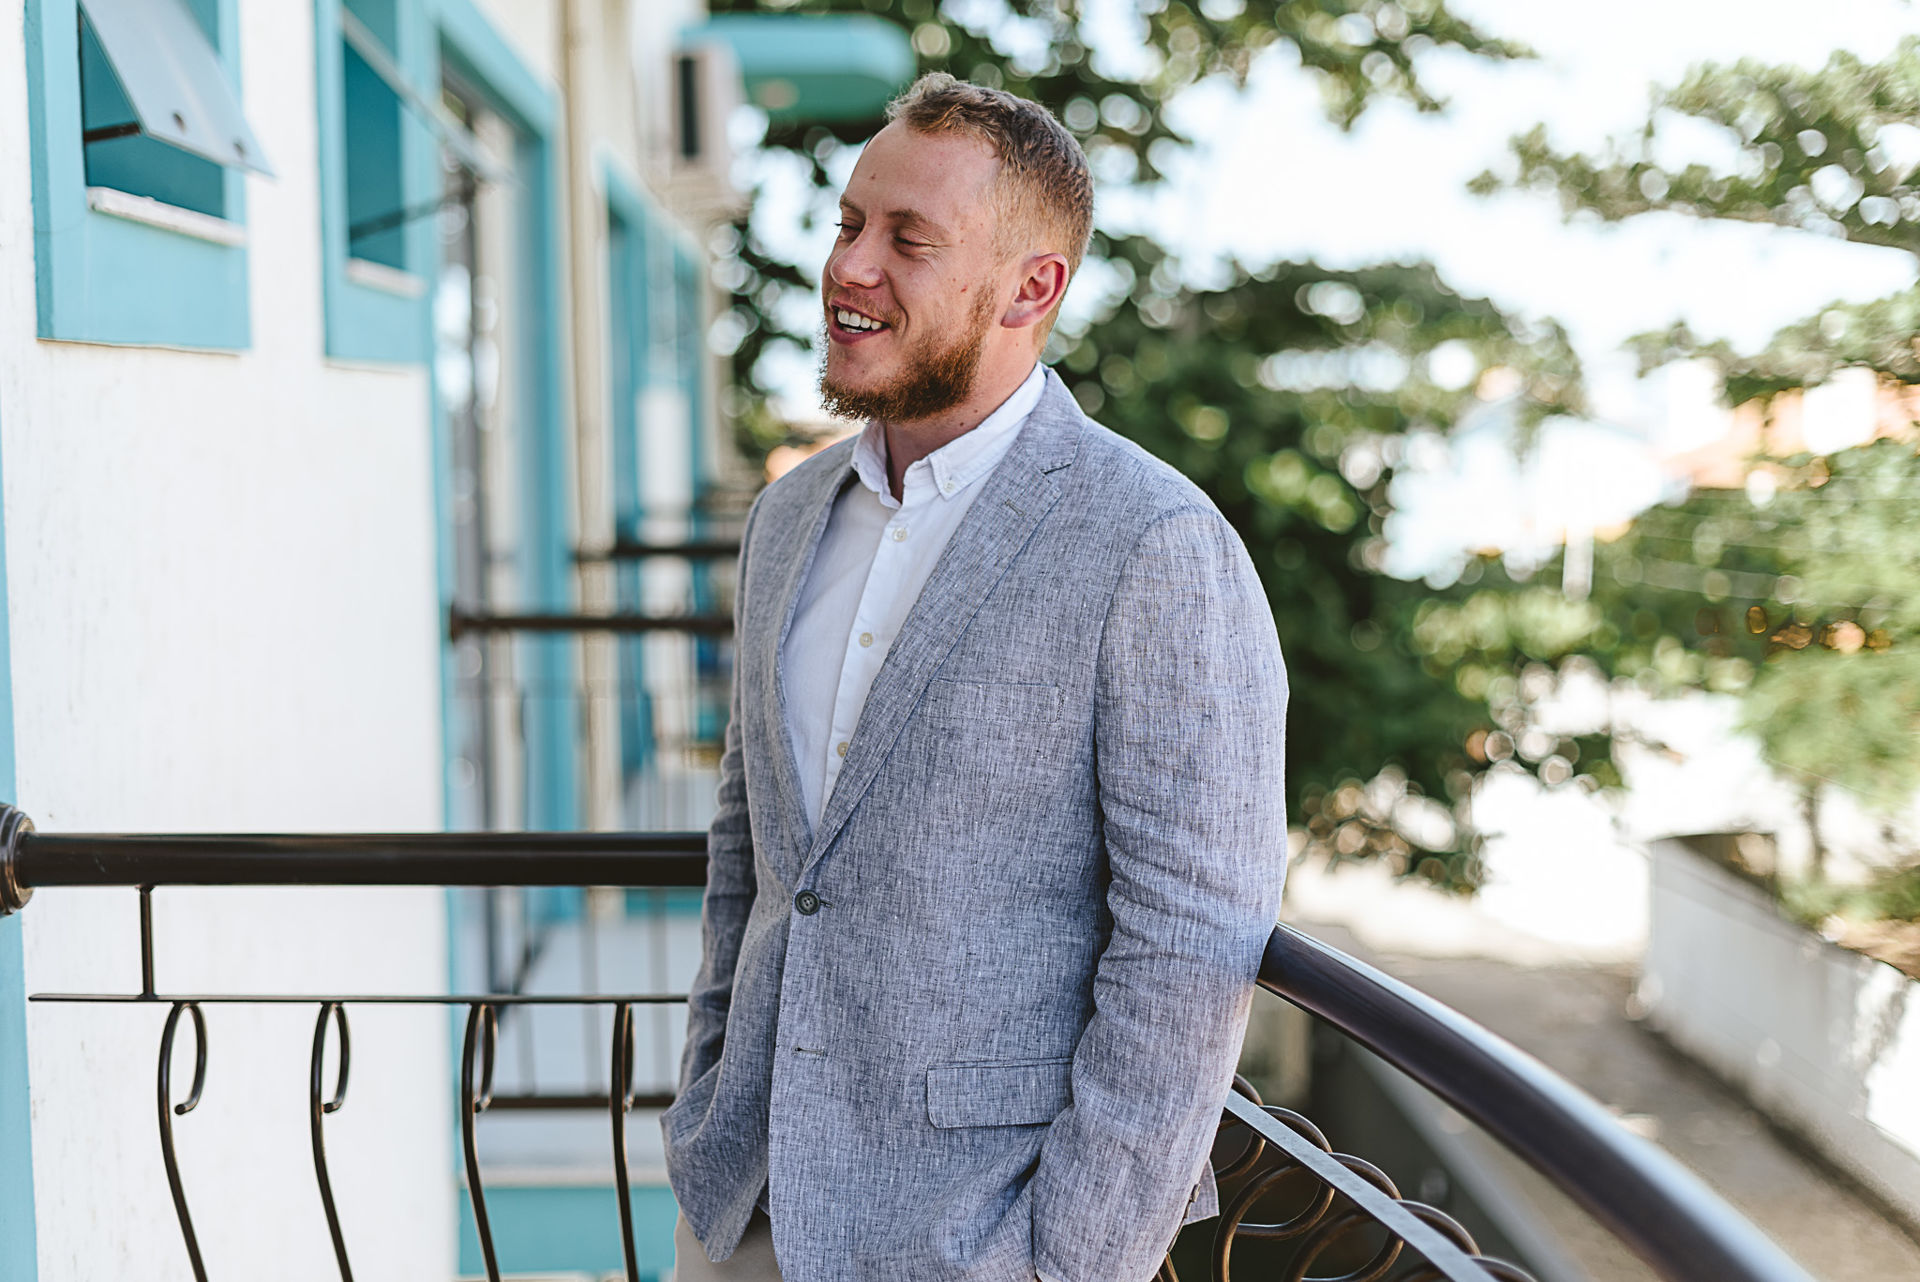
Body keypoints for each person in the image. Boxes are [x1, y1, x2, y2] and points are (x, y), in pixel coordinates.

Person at [661, 73, 1289, 1282]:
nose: (850, 267)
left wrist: (1068, 1265)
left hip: (974, 1238)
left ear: (1031, 287)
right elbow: (750, 857)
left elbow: (1190, 949)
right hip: (740, 1213)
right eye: (850, 223)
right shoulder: (787, 518)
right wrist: (708, 1103)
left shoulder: (1154, 543)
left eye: (910, 239)